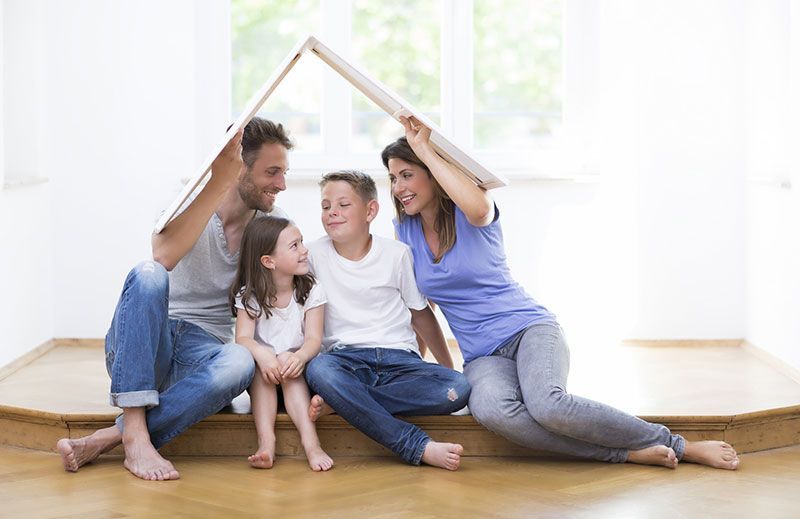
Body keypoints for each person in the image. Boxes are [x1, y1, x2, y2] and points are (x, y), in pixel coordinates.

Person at [382, 116, 740, 471]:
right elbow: (421, 308)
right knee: (492, 411)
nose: (399, 187)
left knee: (547, 405)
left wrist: (425, 149)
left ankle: (680, 444)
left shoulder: (472, 208)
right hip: (481, 356)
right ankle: (624, 453)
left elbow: (477, 211)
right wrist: (445, 370)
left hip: (527, 329)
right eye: (393, 178)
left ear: (432, 172)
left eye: (407, 174)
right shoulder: (405, 230)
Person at [56, 118, 294, 481]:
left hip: (204, 355)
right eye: (272, 172)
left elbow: (279, 299)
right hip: (148, 344)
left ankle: (112, 437)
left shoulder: (272, 224)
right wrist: (218, 182)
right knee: (148, 273)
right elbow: (163, 257)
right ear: (239, 168)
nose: (282, 184)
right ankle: (134, 429)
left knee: (240, 360)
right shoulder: (184, 196)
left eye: (284, 172)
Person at [303, 170, 470, 471]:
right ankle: (417, 445)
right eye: (326, 207)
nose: (332, 213)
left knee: (457, 388)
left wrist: (447, 367)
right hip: (346, 361)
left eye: (343, 205)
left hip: (400, 360)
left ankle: (342, 401)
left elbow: (421, 315)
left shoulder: (397, 254)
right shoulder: (312, 255)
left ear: (370, 211)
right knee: (319, 370)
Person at [230, 216, 333, 471]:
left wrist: (298, 357)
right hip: (265, 373)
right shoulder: (250, 295)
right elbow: (242, 338)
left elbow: (313, 339)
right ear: (269, 261)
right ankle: (267, 443)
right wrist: (263, 354)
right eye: (294, 246)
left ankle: (312, 443)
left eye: (301, 242)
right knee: (259, 370)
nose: (304, 250)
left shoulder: (311, 289)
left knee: (289, 371)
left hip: (296, 370)